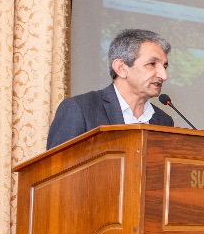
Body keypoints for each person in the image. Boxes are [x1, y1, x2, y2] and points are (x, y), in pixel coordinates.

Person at [46, 28, 175, 149]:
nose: (164, 76)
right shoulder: (79, 109)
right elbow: (56, 165)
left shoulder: (164, 121)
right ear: (121, 68)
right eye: (152, 64)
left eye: (164, 66)